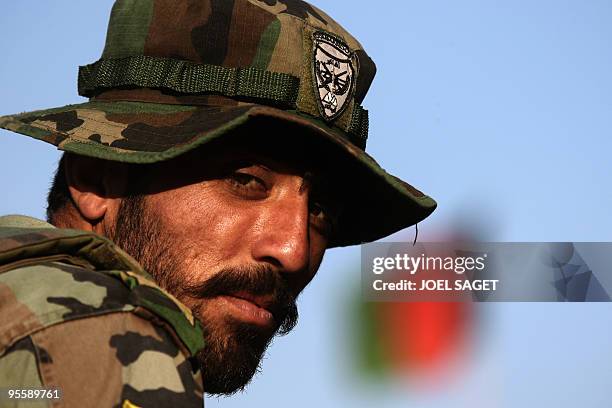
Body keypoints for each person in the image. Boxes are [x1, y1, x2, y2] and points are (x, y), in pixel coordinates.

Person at [0, 0, 436, 406]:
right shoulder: (107, 341)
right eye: (245, 180)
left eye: (320, 209)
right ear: (96, 177)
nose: (293, 251)